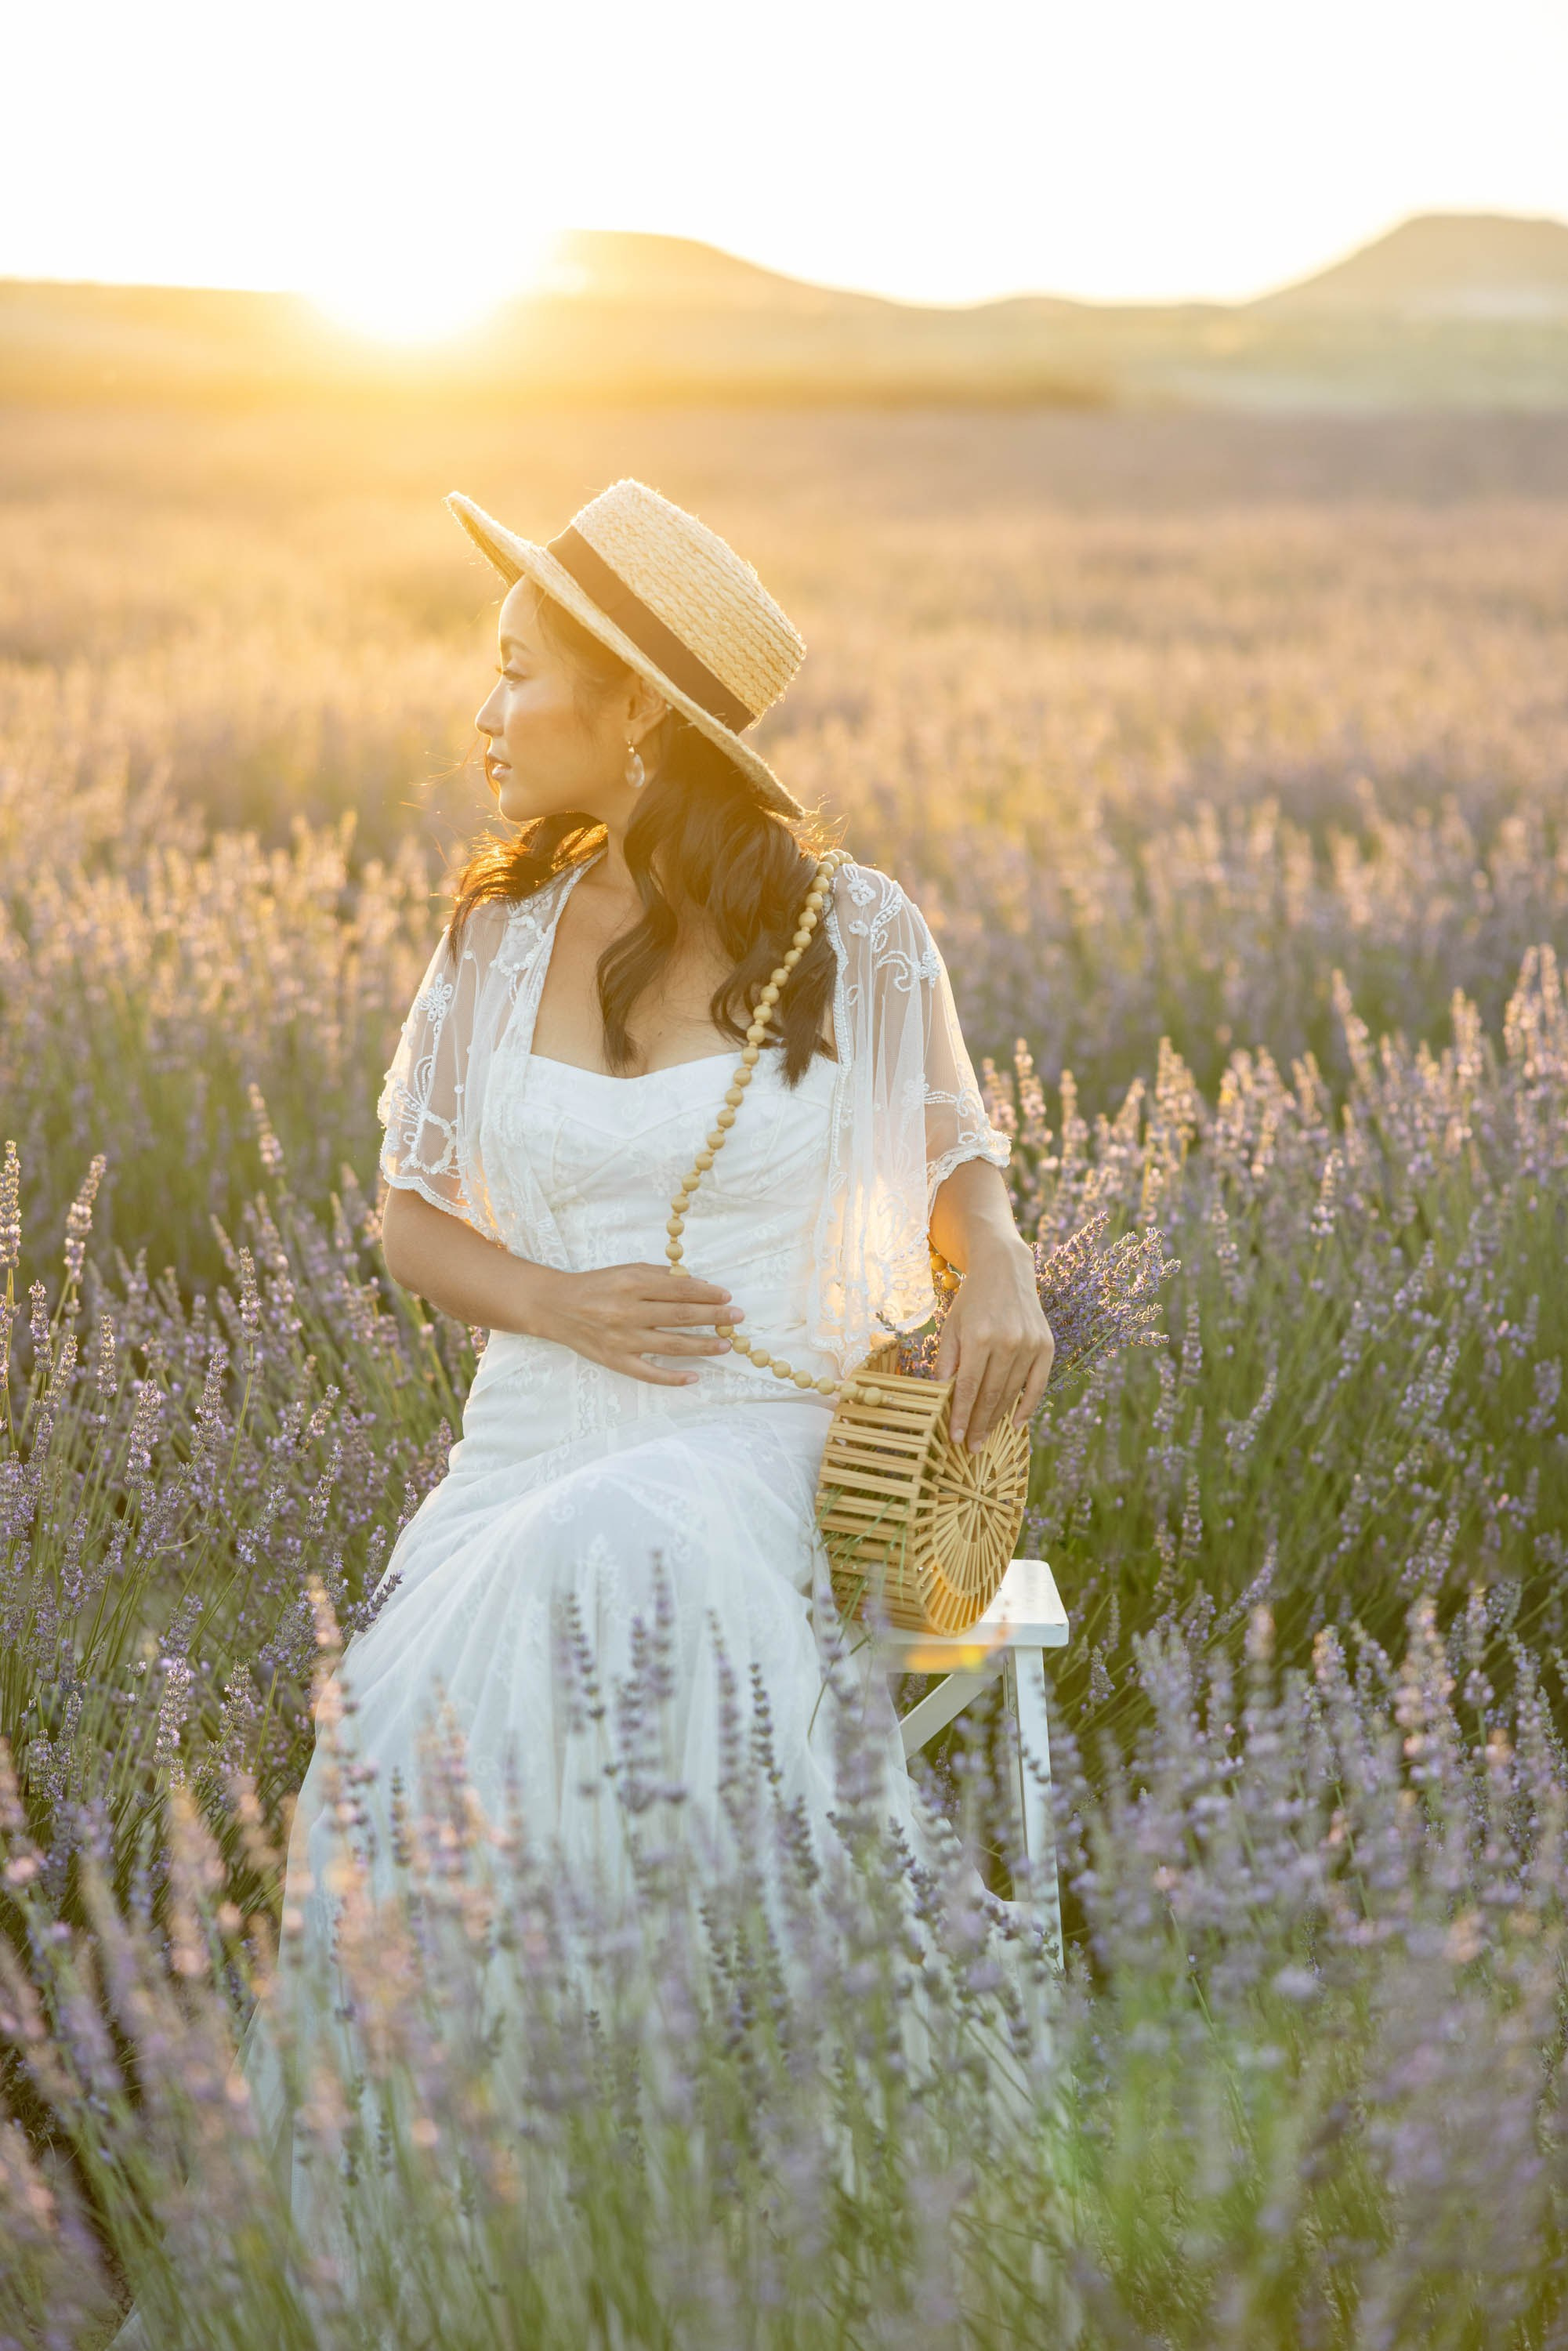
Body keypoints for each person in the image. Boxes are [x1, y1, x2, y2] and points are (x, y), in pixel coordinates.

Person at [108, 478, 1056, 2344]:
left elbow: (962, 1165)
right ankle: (475, 2224)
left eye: (515, 671)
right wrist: (549, 1300)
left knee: (617, 1569)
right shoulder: (491, 937)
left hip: (753, 1439)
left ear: (633, 712)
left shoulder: (859, 935)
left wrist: (1001, 1266)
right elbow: (405, 1219)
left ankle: (696, 2185)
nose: (481, 710)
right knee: (483, 1617)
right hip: (534, 1431)